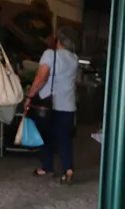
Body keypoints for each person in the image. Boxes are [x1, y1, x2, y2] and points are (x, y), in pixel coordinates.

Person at [25, 27, 79, 184]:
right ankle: (68, 169)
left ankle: (47, 168)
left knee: (45, 136)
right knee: (64, 138)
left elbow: (41, 78)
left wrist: (30, 96)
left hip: (49, 104)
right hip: (68, 104)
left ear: (58, 40)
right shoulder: (74, 58)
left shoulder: (49, 54)